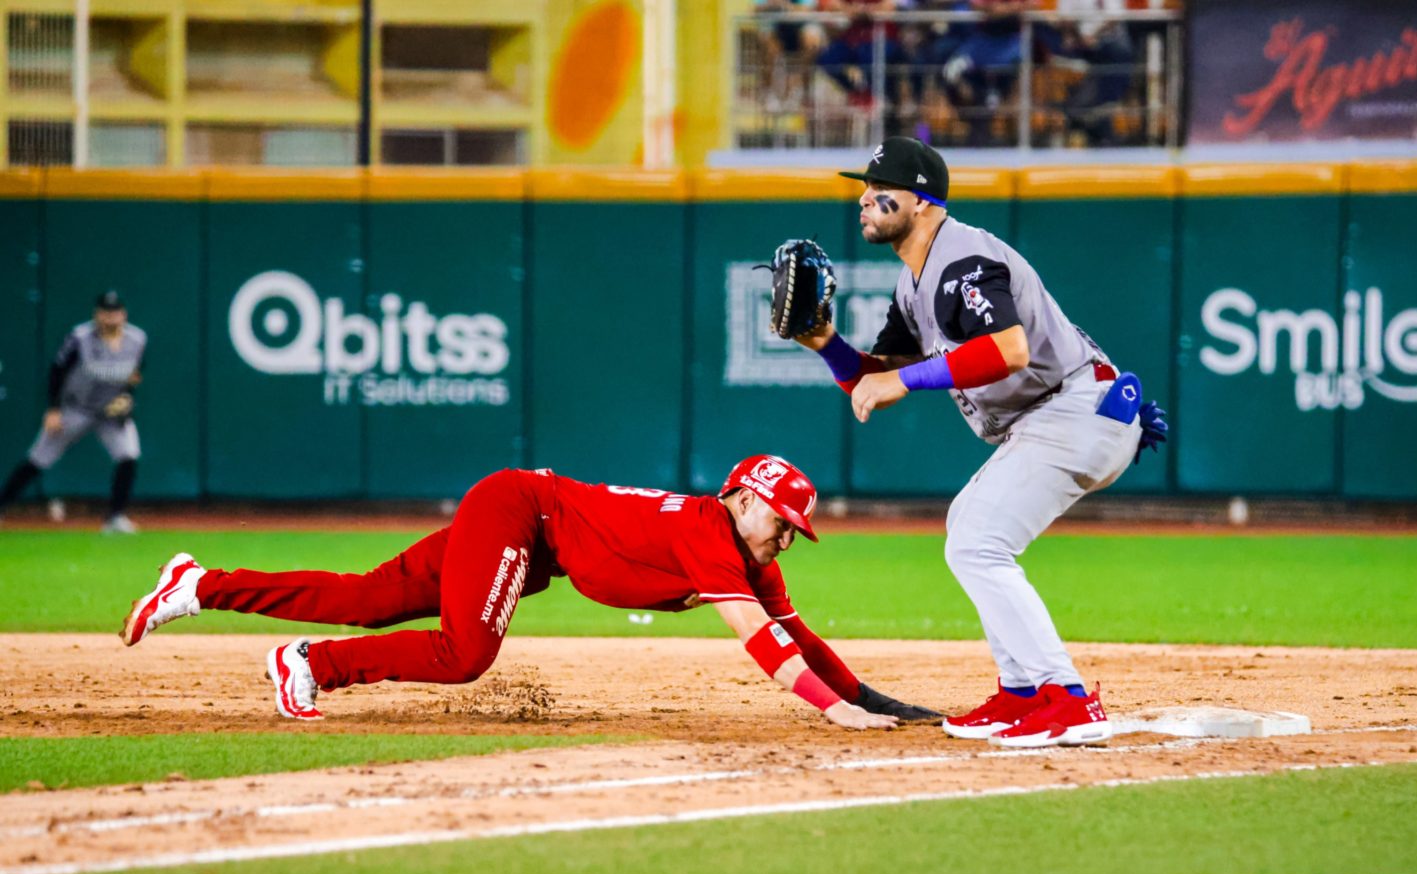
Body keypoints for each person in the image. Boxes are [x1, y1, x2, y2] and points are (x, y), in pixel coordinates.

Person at [789, 136, 1167, 748]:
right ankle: (1021, 693)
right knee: (968, 528)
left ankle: (1067, 699)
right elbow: (875, 380)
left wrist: (903, 381)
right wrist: (826, 344)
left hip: (1077, 409)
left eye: (878, 189)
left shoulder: (962, 259)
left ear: (920, 200)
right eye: (864, 189)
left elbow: (1009, 351)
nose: (864, 199)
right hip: (1058, 417)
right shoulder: (913, 284)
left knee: (978, 542)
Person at [119, 455, 941, 729]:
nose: (787, 537)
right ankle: (309, 665)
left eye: (795, 530)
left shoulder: (752, 556)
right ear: (745, 498)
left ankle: (198, 584)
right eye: (783, 522)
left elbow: (800, 638)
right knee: (464, 654)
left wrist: (877, 702)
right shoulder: (710, 535)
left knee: (367, 597)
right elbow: (761, 643)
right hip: (519, 512)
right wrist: (833, 713)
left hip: (530, 532)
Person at [0, 291, 145, 534]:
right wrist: (54, 409)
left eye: (115, 312)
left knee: (128, 455)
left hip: (110, 414)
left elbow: (135, 373)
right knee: (38, 458)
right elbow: (57, 371)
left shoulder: (137, 338)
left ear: (124, 314)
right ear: (97, 314)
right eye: (106, 312)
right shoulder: (80, 337)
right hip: (76, 408)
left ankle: (116, 517)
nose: (110, 317)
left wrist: (127, 397)